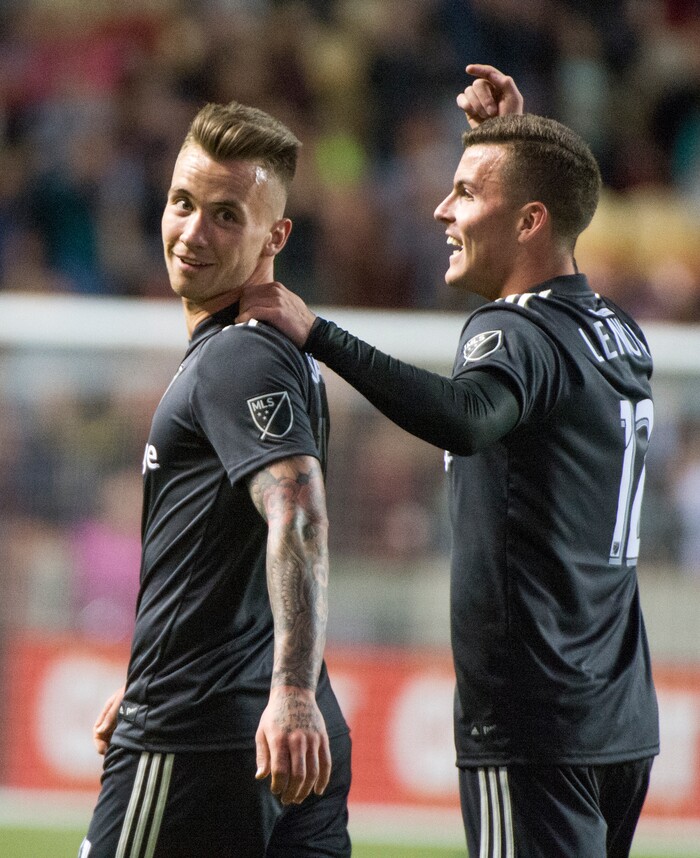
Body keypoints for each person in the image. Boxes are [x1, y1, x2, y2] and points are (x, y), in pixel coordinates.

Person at [238, 65, 659, 858]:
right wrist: (504, 147)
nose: (440, 208)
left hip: (533, 719)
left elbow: (468, 418)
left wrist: (317, 333)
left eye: (464, 191)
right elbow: (545, 210)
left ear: (530, 220)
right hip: (619, 715)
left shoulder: (513, 334)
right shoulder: (614, 330)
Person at [79, 101, 351, 858]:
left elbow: (297, 514)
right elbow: (217, 551)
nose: (192, 232)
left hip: (199, 731)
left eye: (227, 215)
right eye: (182, 202)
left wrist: (287, 692)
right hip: (274, 724)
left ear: (276, 235)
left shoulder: (240, 356)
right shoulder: (273, 354)